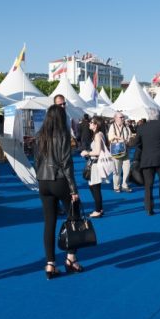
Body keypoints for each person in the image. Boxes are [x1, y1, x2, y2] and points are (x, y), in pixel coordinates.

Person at [34, 104, 84, 279]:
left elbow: (36, 161)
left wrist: (40, 178)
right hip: (59, 179)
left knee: (49, 222)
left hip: (43, 181)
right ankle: (71, 257)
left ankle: (50, 263)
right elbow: (66, 164)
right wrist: (73, 189)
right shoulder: (62, 135)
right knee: (74, 216)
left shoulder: (40, 136)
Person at [133, 109, 160, 215]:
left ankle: (149, 207)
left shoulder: (142, 127)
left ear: (149, 116)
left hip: (147, 159)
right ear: (159, 116)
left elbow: (136, 143)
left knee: (148, 184)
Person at [80, 116, 108, 217]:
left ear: (96, 125)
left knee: (95, 188)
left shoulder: (97, 135)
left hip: (95, 164)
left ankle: (98, 210)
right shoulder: (98, 134)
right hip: (95, 164)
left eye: (91, 122)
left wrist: (86, 152)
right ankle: (99, 209)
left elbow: (97, 152)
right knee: (94, 187)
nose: (89, 124)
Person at [108, 112, 133, 193]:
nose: (122, 118)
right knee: (117, 170)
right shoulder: (112, 126)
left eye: (123, 117)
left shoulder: (126, 126)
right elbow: (110, 137)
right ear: (115, 118)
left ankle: (125, 185)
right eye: (121, 117)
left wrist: (128, 140)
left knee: (127, 168)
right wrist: (119, 138)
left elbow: (130, 135)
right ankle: (116, 186)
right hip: (116, 150)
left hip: (126, 150)